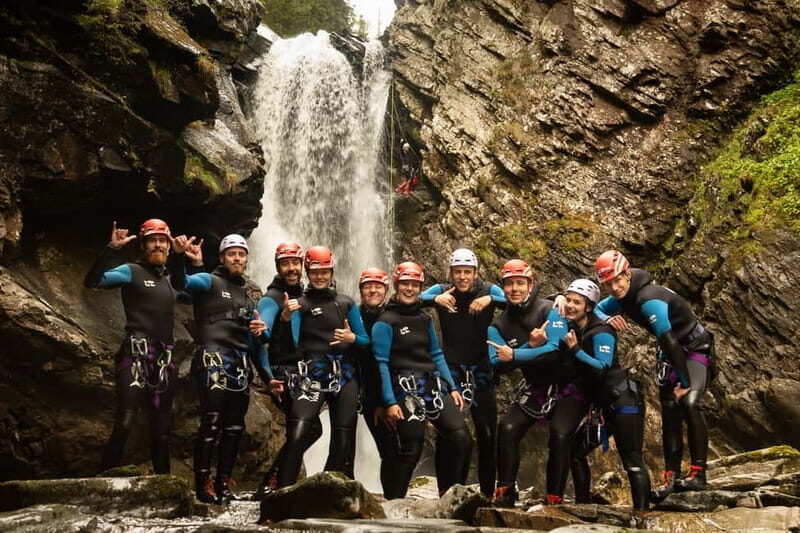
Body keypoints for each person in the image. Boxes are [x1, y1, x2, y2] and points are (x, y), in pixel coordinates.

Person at [593, 250, 714, 501]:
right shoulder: (622, 297)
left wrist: (685, 383)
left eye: (618, 280)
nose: (614, 288)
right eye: (608, 284)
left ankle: (699, 473)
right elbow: (593, 309)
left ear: (627, 273)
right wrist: (608, 317)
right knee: (669, 411)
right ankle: (670, 477)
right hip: (670, 355)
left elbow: (668, 339)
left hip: (693, 349)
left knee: (690, 402)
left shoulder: (648, 298)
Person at [84, 219, 185, 475]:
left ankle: (165, 489)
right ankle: (102, 481)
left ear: (169, 246)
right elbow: (93, 281)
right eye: (152, 240)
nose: (158, 245)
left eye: (163, 240)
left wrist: (187, 261)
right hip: (136, 354)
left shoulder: (173, 280)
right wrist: (111, 249)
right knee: (126, 420)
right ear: (143, 245)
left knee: (161, 430)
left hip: (164, 359)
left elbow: (199, 296)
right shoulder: (131, 271)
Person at [182, 234, 271, 504]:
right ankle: (203, 482)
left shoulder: (247, 296)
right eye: (231, 253)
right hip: (213, 358)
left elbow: (258, 342)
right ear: (222, 257)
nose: (237, 258)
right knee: (211, 421)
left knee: (234, 427)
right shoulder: (209, 280)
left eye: (241, 254)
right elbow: (182, 284)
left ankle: (223, 483)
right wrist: (184, 260)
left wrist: (262, 335)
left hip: (240, 363)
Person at [272, 246, 370, 487]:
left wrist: (352, 339)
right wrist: (284, 318)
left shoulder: (346, 303)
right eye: (315, 272)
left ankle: (329, 490)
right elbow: (288, 345)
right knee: (298, 432)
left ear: (332, 271)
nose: (320, 276)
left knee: (344, 438)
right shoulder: (298, 305)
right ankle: (283, 492)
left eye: (325, 271)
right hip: (312, 374)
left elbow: (366, 342)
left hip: (345, 375)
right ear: (307, 272)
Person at [372, 262, 472, 499]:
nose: (410, 289)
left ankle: (450, 497)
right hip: (403, 389)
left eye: (415, 285)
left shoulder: (424, 318)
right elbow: (381, 364)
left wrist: (452, 387)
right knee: (411, 449)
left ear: (420, 287)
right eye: (405, 284)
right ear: (396, 286)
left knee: (462, 438)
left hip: (431, 386)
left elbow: (436, 354)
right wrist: (389, 401)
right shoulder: (385, 322)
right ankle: (394, 503)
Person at [487, 259, 578, 507]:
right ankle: (504, 491)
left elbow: (555, 351)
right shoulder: (499, 325)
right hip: (536, 388)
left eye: (520, 283)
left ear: (530, 284)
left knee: (560, 435)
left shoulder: (551, 310)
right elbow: (497, 362)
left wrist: (518, 353)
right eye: (509, 284)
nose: (514, 289)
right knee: (506, 428)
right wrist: (530, 346)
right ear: (502, 288)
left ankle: (554, 497)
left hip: (567, 388)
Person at [420, 248, 505, 497]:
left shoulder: (489, 290)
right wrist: (435, 300)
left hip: (481, 370)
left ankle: (488, 492)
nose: (462, 277)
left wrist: (491, 300)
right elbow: (413, 298)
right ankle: (447, 492)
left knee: (487, 433)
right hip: (450, 371)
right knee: (447, 434)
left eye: (467, 272)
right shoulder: (441, 290)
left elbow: (517, 300)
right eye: (458, 272)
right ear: (451, 273)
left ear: (476, 273)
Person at [562, 279, 651, 510]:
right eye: (569, 300)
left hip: (624, 402)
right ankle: (582, 505)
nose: (571, 306)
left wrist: (575, 350)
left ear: (589, 307)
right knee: (575, 452)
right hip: (604, 406)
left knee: (631, 460)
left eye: (577, 302)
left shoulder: (602, 332)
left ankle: (642, 513)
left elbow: (601, 367)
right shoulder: (576, 329)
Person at [250, 243, 323, 496]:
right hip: (283, 373)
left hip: (302, 373)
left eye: (295, 263)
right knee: (309, 428)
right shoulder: (273, 298)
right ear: (278, 267)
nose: (291, 268)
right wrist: (269, 377)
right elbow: (264, 332)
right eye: (285, 263)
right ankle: (274, 482)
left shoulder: (301, 294)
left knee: (306, 428)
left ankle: (274, 481)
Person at [353, 267, 393, 486]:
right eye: (368, 286)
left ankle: (394, 500)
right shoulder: (353, 315)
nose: (372, 291)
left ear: (386, 290)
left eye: (377, 286)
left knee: (391, 449)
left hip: (390, 394)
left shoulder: (393, 316)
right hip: (363, 393)